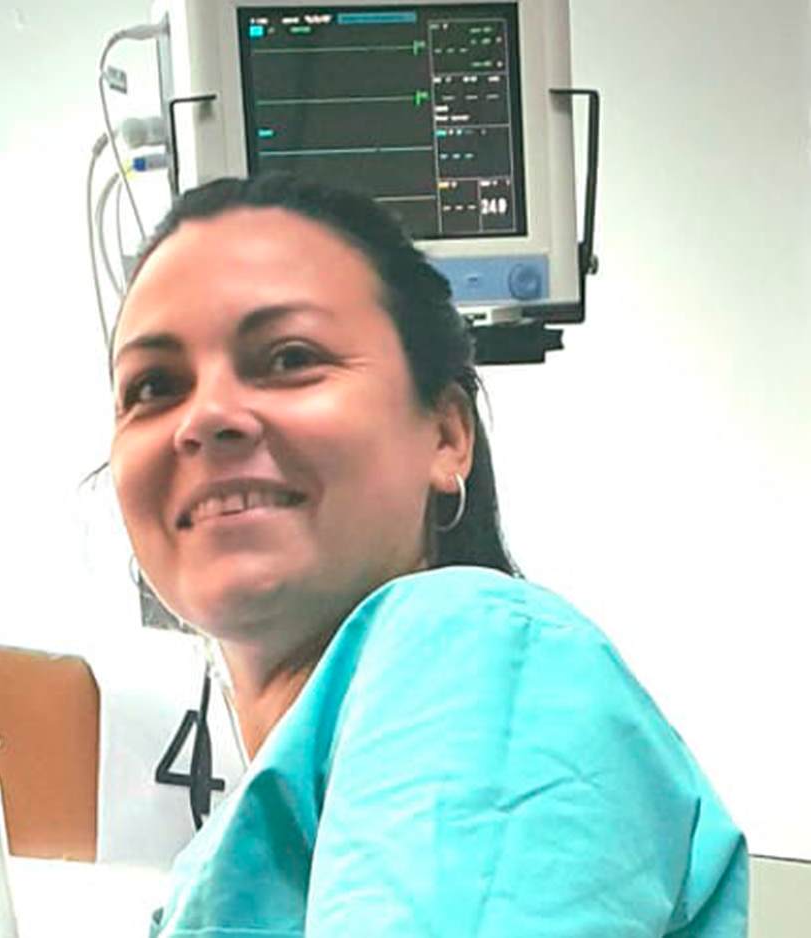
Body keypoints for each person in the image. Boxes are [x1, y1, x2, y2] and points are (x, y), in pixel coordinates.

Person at [107, 174, 747, 936]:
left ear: (445, 435)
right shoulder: (229, 855)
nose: (206, 416)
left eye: (289, 357)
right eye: (153, 386)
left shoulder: (471, 646)